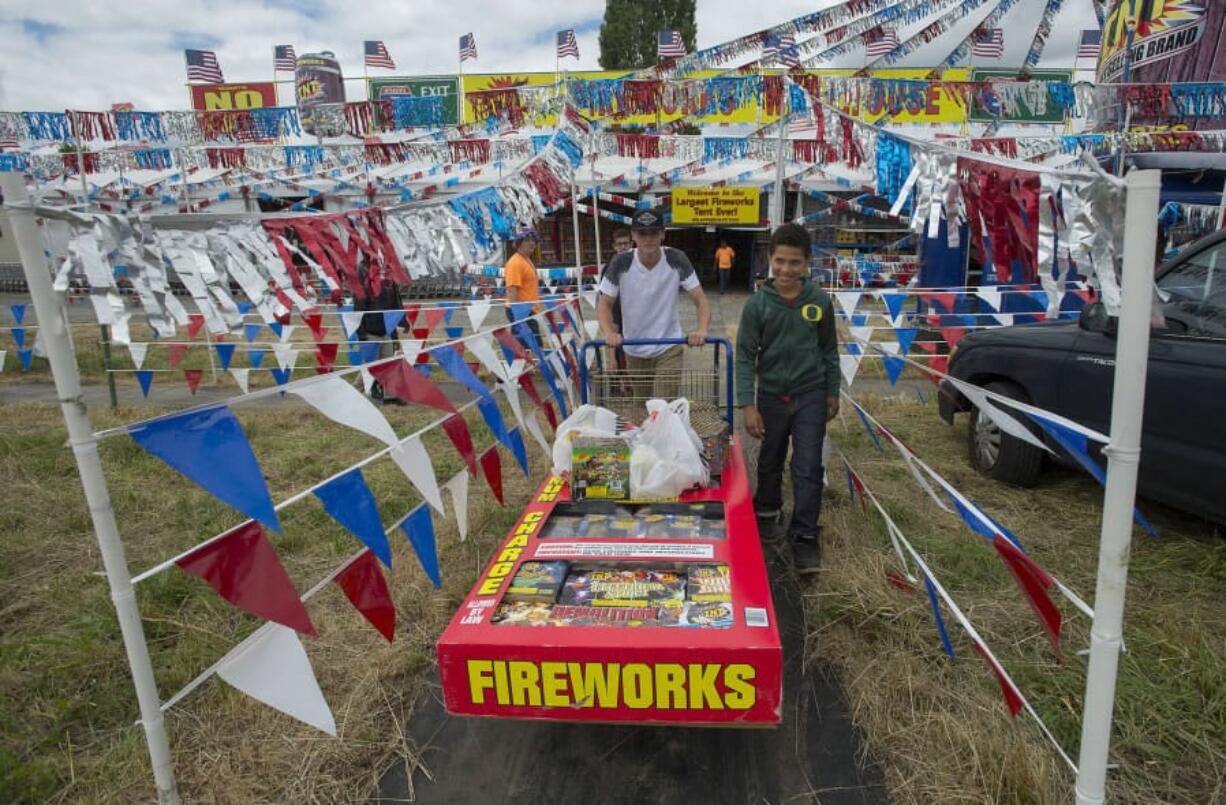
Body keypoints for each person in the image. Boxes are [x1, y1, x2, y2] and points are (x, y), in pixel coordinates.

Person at [735, 223, 839, 575]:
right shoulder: (756, 307)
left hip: (811, 393)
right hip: (771, 396)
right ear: (769, 259)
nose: (786, 270)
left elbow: (829, 350)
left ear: (808, 263)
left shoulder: (820, 302)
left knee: (808, 466)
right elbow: (745, 356)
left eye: (795, 263)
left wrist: (832, 391)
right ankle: (766, 513)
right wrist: (747, 405)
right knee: (770, 458)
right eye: (780, 261)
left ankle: (805, 537)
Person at [598, 208, 710, 405]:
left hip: (669, 345)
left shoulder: (676, 259)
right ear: (633, 236)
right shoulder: (621, 263)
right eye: (642, 233)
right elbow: (604, 304)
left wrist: (701, 329)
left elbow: (701, 299)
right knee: (641, 406)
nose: (648, 239)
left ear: (662, 234)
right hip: (634, 349)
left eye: (654, 233)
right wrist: (609, 333)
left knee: (661, 409)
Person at [356, 275, 406, 405]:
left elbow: (391, 316)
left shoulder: (389, 291)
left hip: (386, 334)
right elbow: (356, 316)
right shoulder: (363, 290)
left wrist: (394, 337)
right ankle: (354, 394)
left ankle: (390, 396)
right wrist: (362, 336)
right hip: (370, 334)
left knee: (389, 367)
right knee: (369, 368)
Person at [601, 227, 634, 375]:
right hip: (617, 315)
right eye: (619, 244)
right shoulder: (609, 269)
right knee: (620, 360)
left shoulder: (641, 264)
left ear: (631, 244)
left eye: (626, 243)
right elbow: (605, 304)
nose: (623, 247)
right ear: (614, 247)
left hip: (638, 317)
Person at [504, 227, 542, 337]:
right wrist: (519, 318)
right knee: (530, 348)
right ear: (519, 243)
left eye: (533, 240)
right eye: (527, 240)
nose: (532, 243)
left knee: (530, 347)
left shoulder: (526, 259)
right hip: (521, 311)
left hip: (528, 310)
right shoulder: (515, 262)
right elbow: (512, 291)